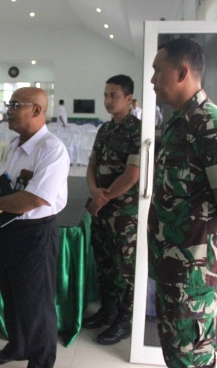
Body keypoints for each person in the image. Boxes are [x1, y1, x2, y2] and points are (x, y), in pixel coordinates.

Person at [148, 37, 217, 368]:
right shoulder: (179, 121)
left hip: (194, 274)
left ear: (182, 72)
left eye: (157, 71)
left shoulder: (212, 124)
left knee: (192, 358)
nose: (152, 80)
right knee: (177, 355)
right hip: (172, 266)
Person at [0, 87, 70, 368]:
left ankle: (40, 362)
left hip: (34, 234)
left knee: (36, 305)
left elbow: (35, 198)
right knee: (12, 296)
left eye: (16, 105)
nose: (9, 111)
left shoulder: (51, 149)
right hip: (6, 229)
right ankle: (17, 346)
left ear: (37, 110)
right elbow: (4, 185)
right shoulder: (15, 145)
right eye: (9, 104)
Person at [84, 74, 141, 345]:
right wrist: (94, 191)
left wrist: (102, 198)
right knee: (104, 264)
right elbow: (92, 164)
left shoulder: (138, 131)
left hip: (124, 214)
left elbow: (132, 175)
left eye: (113, 96)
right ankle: (107, 310)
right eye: (106, 95)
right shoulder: (104, 130)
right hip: (102, 209)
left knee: (125, 268)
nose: (107, 100)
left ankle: (125, 319)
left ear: (128, 99)